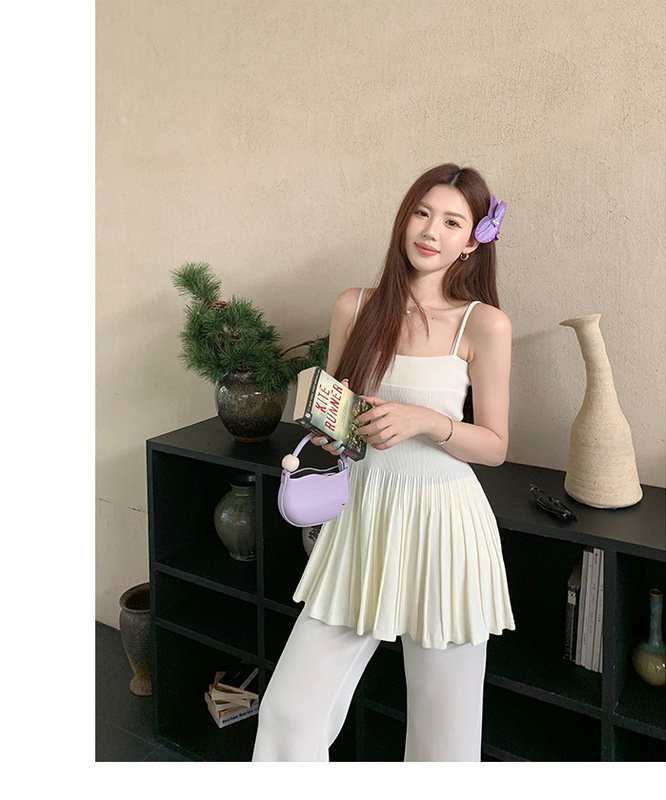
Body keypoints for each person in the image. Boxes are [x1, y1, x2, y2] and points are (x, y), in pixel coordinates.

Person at [253, 163, 515, 762]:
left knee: (444, 738)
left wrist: (426, 421)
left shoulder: (484, 324)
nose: (431, 231)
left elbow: (496, 446)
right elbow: (334, 421)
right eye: (422, 213)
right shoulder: (356, 306)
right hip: (363, 516)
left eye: (452, 222)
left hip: (446, 524)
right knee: (290, 711)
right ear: (404, 219)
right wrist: (329, 424)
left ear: (473, 240)